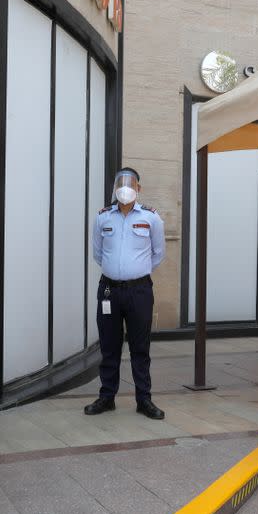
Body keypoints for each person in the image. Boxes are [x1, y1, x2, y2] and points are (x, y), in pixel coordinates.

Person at [84, 168, 166, 420]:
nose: (125, 188)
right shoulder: (103, 217)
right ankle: (107, 397)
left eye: (130, 183)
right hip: (109, 288)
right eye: (121, 183)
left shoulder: (151, 218)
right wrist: (116, 271)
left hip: (139, 290)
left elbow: (158, 253)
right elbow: (97, 253)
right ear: (115, 187)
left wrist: (135, 273)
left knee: (140, 347)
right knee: (109, 345)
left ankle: (144, 400)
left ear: (138, 188)